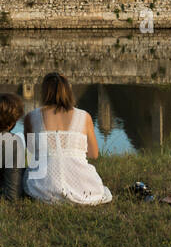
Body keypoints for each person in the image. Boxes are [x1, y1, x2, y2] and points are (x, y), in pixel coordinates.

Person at [22, 73, 112, 205]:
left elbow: (31, 153)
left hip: (43, 186)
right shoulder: (84, 116)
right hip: (82, 187)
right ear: (68, 91)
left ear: (44, 92)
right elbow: (94, 154)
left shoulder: (31, 117)